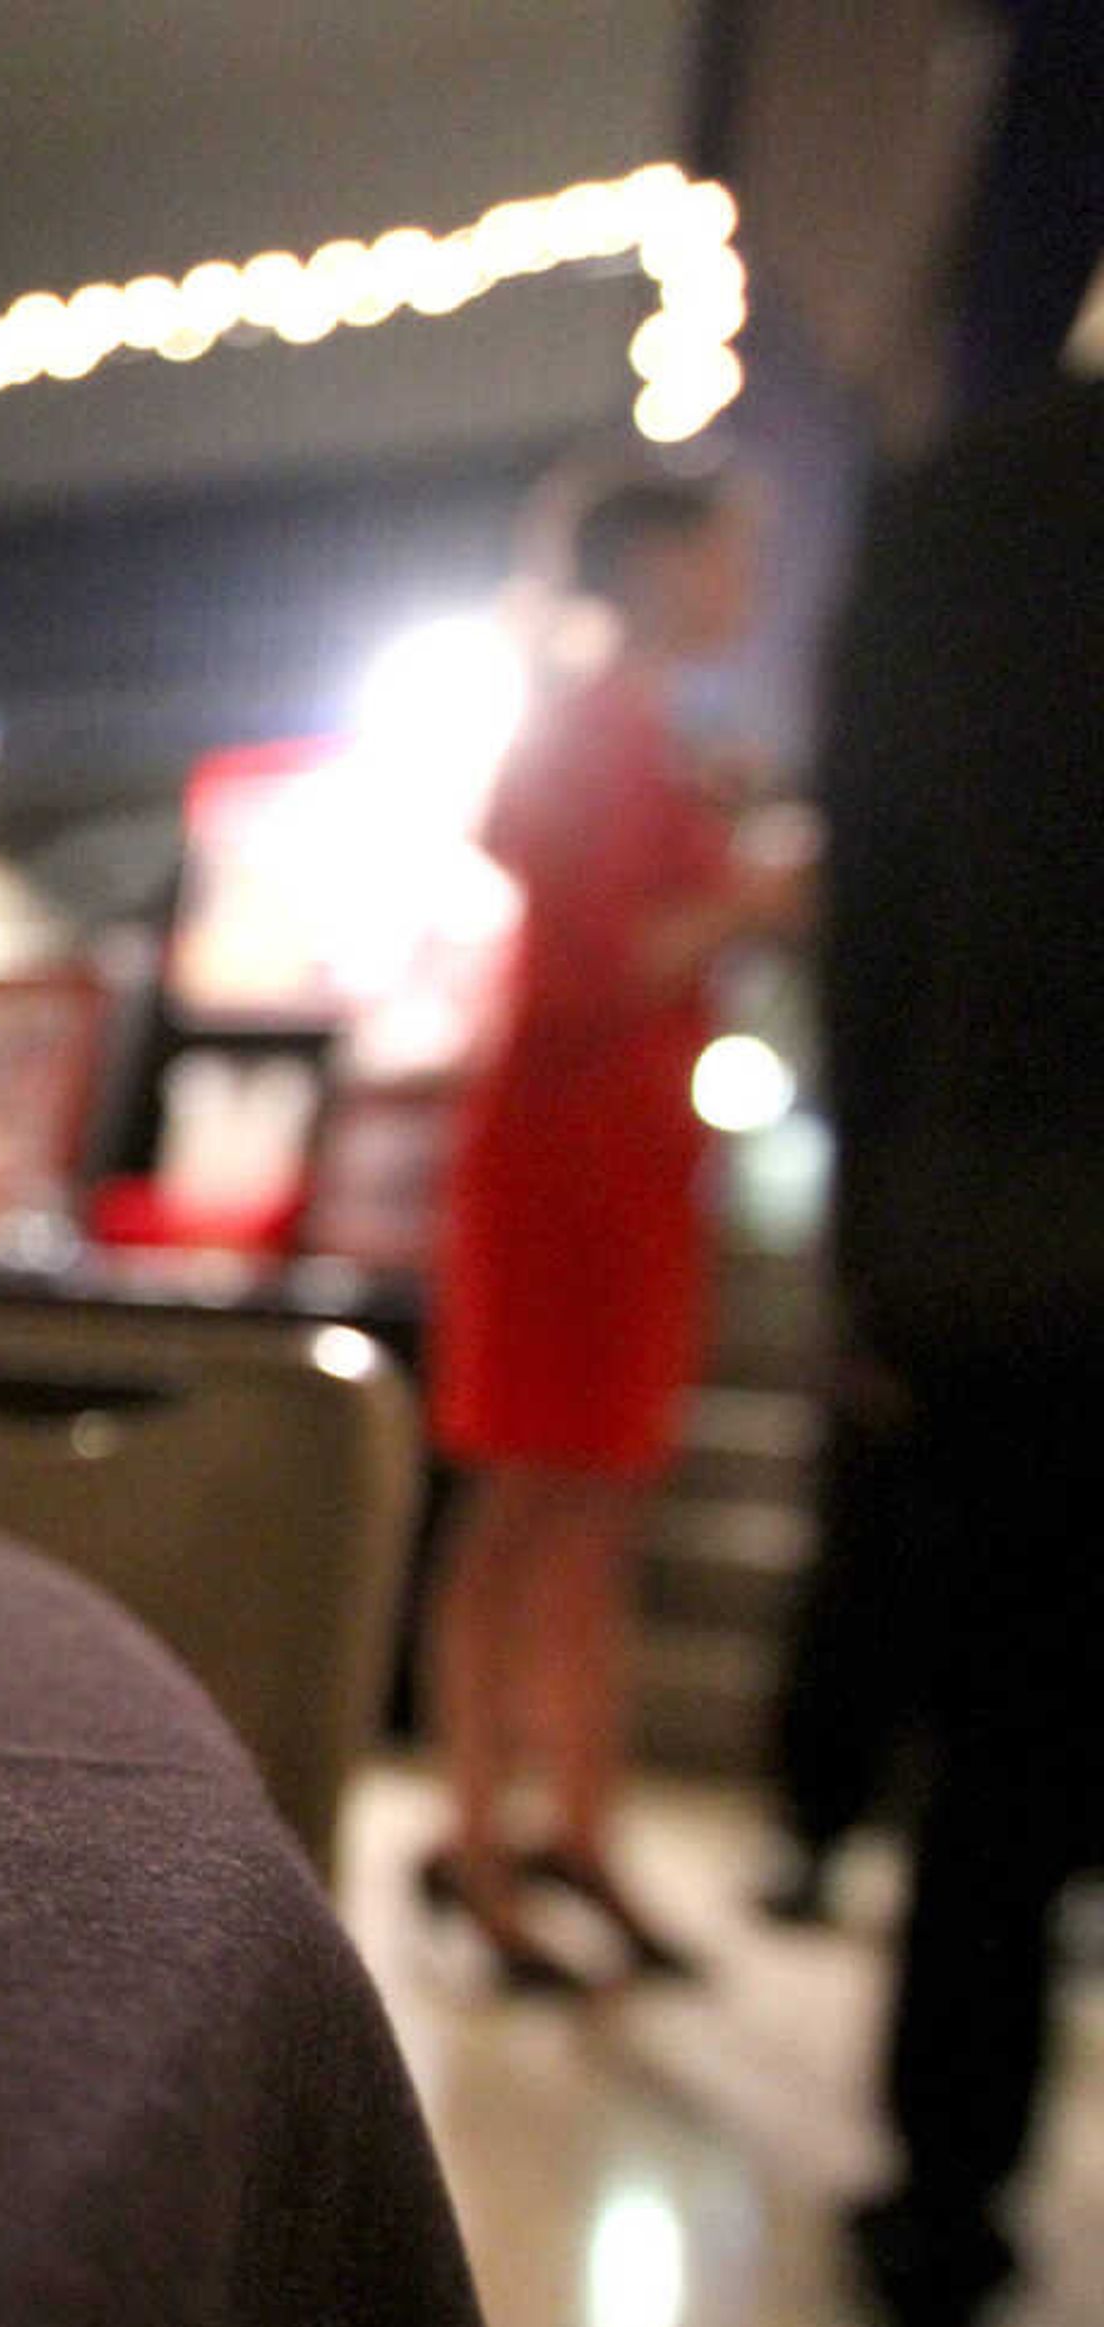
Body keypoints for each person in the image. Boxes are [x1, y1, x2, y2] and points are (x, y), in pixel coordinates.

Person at [415, 467, 810, 1992]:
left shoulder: (649, 731)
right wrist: (751, 902)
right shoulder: (587, 724)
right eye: (723, 552)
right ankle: (486, 1842)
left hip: (629, 1161)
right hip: (561, 1157)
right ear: (651, 562)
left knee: (598, 1508)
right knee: (527, 1500)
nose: (740, 583)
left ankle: (574, 1829)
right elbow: (585, 971)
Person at [811, 360, 1104, 2327]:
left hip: (1018, 1240)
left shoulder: (984, 512)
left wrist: (875, 1251)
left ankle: (944, 2230)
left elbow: (881, 907)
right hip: (1019, 1244)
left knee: (1001, 1766)